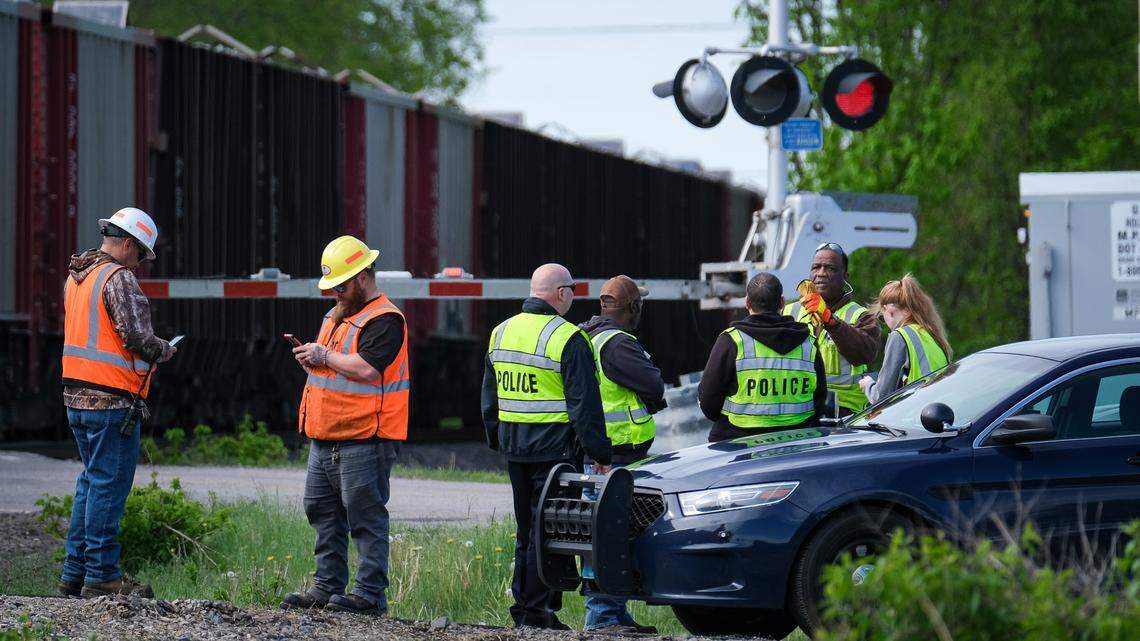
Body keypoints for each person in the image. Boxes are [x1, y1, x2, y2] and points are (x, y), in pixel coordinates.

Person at [282, 235, 410, 616]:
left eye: (341, 284)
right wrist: (315, 359)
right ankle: (326, 587)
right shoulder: (338, 313)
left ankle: (369, 595)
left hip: (364, 437)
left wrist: (324, 355)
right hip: (325, 434)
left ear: (364, 276)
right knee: (321, 511)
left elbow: (368, 369)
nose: (335, 291)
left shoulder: (385, 319)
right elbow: (335, 365)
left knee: (365, 516)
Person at [481, 263, 612, 630]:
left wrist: (497, 438)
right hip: (554, 452)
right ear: (562, 294)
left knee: (527, 529)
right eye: (571, 289)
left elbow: (488, 397)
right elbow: (584, 405)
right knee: (547, 531)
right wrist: (599, 454)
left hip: (515, 449)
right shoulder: (567, 338)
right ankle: (538, 614)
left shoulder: (500, 332)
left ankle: (526, 609)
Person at [59, 207, 176, 598]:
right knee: (108, 487)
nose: (140, 264)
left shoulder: (77, 278)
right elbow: (137, 338)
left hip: (76, 398)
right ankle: (103, 575)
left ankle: (75, 572)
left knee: (90, 484)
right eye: (142, 254)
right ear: (128, 244)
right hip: (111, 400)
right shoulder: (117, 278)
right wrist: (165, 349)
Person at [578, 275, 665, 633]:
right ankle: (603, 618)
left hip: (600, 453)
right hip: (616, 456)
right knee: (609, 535)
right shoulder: (617, 344)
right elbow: (653, 384)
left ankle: (611, 613)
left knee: (604, 534)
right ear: (632, 307)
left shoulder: (588, 335)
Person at [699, 272, 828, 442]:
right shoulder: (808, 342)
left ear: (746, 302)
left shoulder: (732, 340)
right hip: (799, 443)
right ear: (782, 302)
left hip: (739, 445)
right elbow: (820, 398)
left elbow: (708, 400)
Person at [784, 243, 881, 416]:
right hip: (798, 409)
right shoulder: (790, 311)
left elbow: (865, 354)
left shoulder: (860, 316)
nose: (821, 273)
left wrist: (830, 320)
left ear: (845, 277)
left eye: (830, 268)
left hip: (844, 414)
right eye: (816, 267)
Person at [859, 274, 951, 404]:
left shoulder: (899, 336)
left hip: (917, 413)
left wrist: (868, 385)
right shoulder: (930, 333)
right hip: (936, 409)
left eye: (882, 315)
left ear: (888, 310)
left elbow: (881, 397)